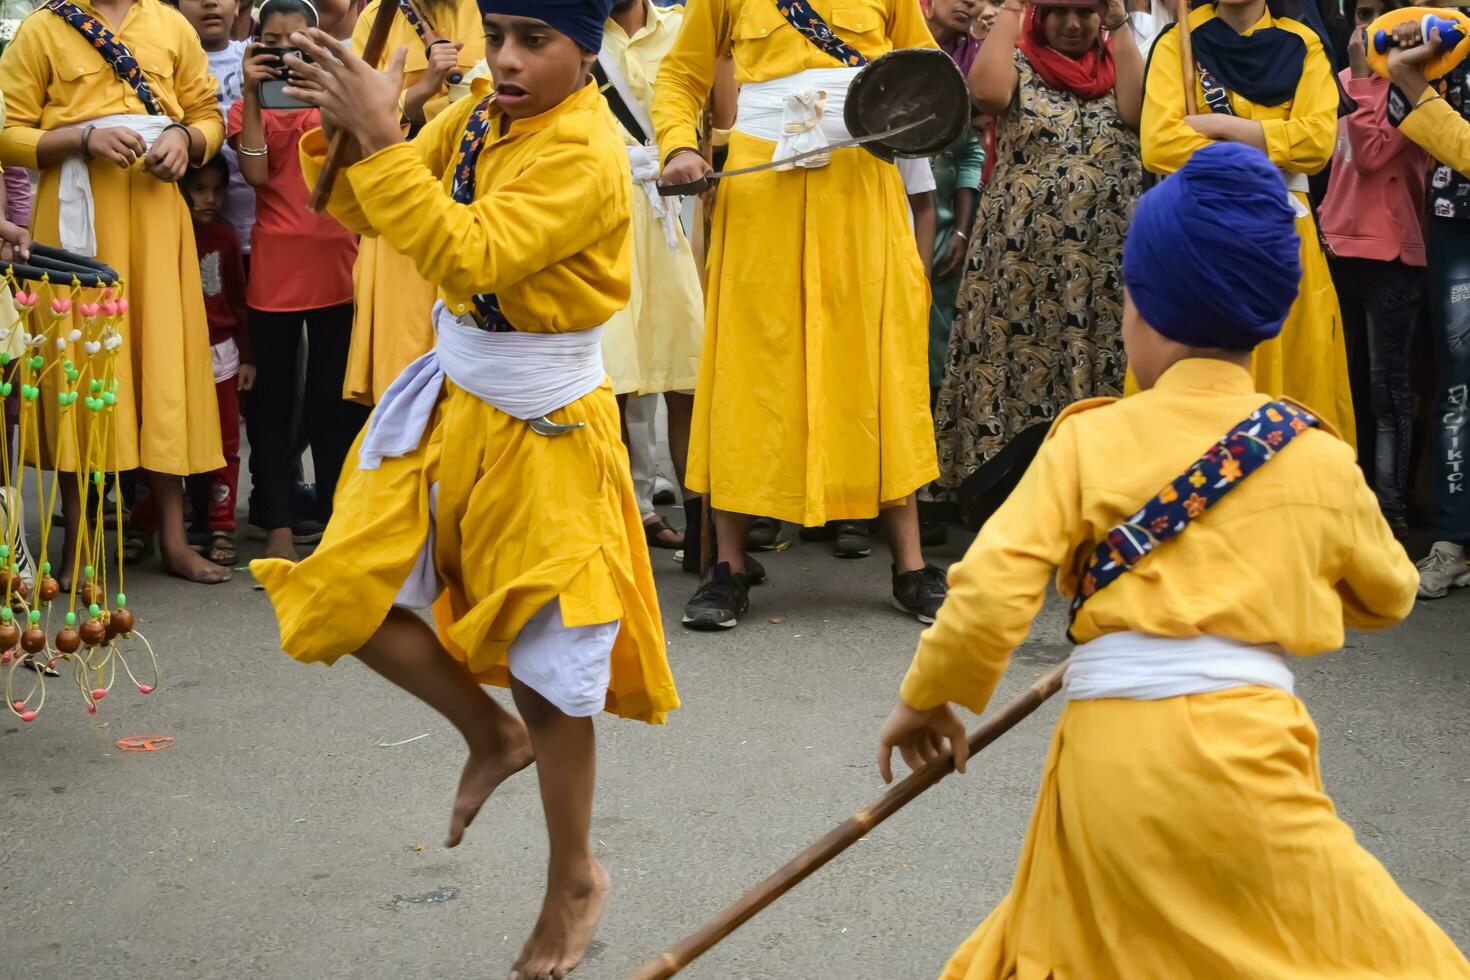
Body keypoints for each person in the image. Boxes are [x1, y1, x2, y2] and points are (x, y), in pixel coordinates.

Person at [876, 142, 1470, 980]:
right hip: (1252, 756)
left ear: (1145, 308)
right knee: (1360, 947)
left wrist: (928, 698)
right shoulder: (1315, 456)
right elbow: (1388, 595)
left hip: (1109, 761)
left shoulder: (1089, 436)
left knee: (1089, 946)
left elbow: (986, 594)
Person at [249, 4, 678, 978]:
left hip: (548, 426)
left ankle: (574, 874)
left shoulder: (585, 151)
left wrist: (388, 133)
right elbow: (363, 206)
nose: (509, 59)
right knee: (342, 593)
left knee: (550, 656)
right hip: (453, 396)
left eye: (536, 40)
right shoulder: (483, 112)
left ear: (588, 47)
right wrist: (358, 124)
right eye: (500, 37)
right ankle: (487, 731)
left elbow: (468, 252)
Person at [654, 0, 951, 630]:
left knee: (877, 368)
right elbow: (681, 75)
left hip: (863, 189)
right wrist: (680, 145)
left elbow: (928, 75)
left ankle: (910, 567)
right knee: (748, 367)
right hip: (761, 194)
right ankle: (727, 569)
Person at [0, 0, 228, 585]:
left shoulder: (170, 23)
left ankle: (175, 541)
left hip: (157, 217)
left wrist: (184, 138)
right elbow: (8, 133)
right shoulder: (41, 29)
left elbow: (209, 115)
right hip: (76, 219)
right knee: (83, 370)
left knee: (163, 366)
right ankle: (80, 544)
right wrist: (80, 139)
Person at [934, 0, 1143, 527]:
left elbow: (1140, 114)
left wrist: (1118, 22)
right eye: (1057, 12)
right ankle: (1009, 509)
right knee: (1020, 378)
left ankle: (1093, 506)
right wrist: (1009, 6)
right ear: (1037, 16)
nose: (1072, 24)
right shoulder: (1018, 62)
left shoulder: (1119, 63)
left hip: (1104, 268)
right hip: (1019, 266)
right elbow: (985, 94)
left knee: (1097, 375)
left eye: (1085, 12)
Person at [1141, 0, 1357, 443]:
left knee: (1294, 376)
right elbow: (1160, 142)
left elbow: (1317, 142)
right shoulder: (1178, 42)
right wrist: (1271, 143)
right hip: (1205, 235)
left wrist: (1222, 126)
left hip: (1283, 236)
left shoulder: (1305, 44)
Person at [230, 0, 366, 561]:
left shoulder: (335, 99)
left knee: (336, 402)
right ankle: (278, 524)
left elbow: (345, 163)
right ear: (256, 44)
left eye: (298, 41)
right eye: (274, 41)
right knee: (273, 402)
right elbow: (256, 174)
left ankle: (338, 519)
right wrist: (255, 96)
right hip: (275, 271)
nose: (286, 52)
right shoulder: (245, 108)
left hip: (340, 265)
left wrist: (323, 87)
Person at [341, 0, 485, 405]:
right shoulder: (376, 19)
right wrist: (420, 93)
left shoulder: (495, 9)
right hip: (403, 197)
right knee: (404, 364)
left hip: (479, 195)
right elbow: (352, 119)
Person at [598, 0, 702, 553]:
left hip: (676, 220)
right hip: (599, 218)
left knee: (687, 372)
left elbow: (719, 109)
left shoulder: (685, 27)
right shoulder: (568, 31)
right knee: (609, 380)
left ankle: (705, 534)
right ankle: (622, 525)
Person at [1318, 0, 1426, 537]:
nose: (1372, 27)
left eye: (1385, 15)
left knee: (1388, 391)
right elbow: (1328, 164)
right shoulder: (1337, 79)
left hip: (1390, 256)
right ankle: (1343, 509)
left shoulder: (1423, 87)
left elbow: (1371, 153)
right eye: (1364, 13)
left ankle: (1390, 517)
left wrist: (1363, 77)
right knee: (1345, 385)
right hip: (1339, 250)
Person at [1382, 18, 1470, 598]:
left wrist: (1412, 82)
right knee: (1459, 384)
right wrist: (1408, 63)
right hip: (1455, 225)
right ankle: (1451, 540)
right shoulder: (1450, 35)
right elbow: (1394, 113)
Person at [180, 155, 254, 566]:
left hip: (221, 355)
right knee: (172, 436)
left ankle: (221, 525)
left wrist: (248, 356)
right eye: (199, 190)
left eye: (217, 190)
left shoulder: (225, 239)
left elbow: (239, 302)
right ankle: (151, 521)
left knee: (225, 442)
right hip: (174, 353)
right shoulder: (169, 235)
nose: (210, 199)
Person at [178, 0, 255, 264]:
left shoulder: (254, 56)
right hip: (195, 235)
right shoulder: (169, 66)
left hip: (259, 231)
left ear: (238, 5)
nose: (209, 2)